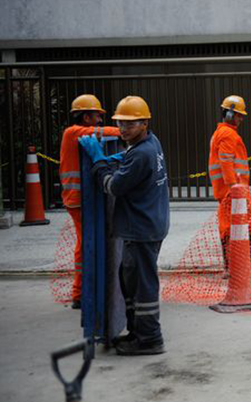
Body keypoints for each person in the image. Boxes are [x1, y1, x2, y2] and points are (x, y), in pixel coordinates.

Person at [79, 95, 169, 356]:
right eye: (120, 123)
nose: (123, 129)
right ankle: (137, 332)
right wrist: (120, 158)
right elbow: (133, 162)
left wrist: (98, 162)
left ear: (144, 123)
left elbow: (113, 187)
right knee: (129, 278)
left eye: (130, 124)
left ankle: (151, 338)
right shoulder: (151, 142)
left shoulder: (142, 153)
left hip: (142, 227)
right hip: (147, 224)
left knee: (142, 284)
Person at [59, 94, 122, 309]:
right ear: (86, 117)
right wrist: (130, 130)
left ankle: (84, 290)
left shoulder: (77, 134)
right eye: (97, 116)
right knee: (85, 245)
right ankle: (79, 293)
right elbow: (108, 132)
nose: (99, 120)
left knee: (86, 243)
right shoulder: (73, 133)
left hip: (81, 200)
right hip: (77, 200)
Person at [208, 95, 251, 279]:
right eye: (239, 115)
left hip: (231, 191)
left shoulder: (222, 133)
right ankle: (248, 268)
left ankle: (234, 267)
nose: (241, 119)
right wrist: (235, 187)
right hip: (233, 192)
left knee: (229, 228)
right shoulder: (227, 134)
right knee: (249, 225)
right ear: (229, 113)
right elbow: (226, 162)